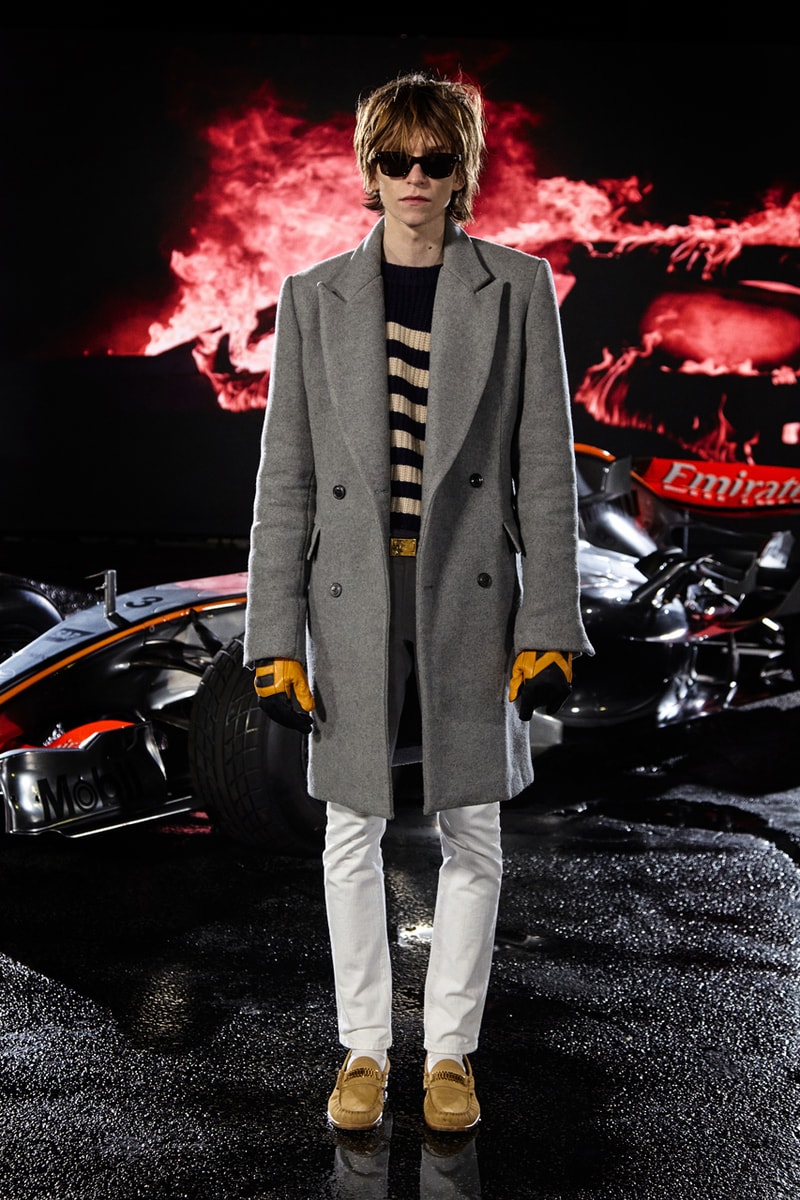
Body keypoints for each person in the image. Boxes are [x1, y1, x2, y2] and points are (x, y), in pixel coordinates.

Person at [244, 71, 593, 1134]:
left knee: (472, 826)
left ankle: (449, 1057)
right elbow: (285, 482)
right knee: (349, 828)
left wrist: (549, 623)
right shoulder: (312, 298)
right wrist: (272, 637)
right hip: (351, 587)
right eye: (395, 159)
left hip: (469, 588)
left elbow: (545, 469)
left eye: (435, 160)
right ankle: (363, 1050)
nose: (414, 178)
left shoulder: (517, 287)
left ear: (461, 170)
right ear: (370, 167)